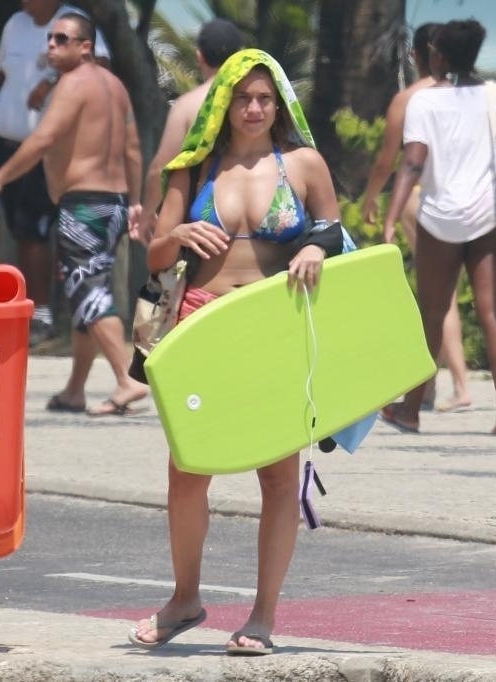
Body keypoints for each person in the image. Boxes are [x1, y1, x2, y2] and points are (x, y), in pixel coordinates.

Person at [126, 48, 344, 654]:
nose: (253, 108)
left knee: (278, 477)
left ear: (278, 105)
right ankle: (185, 598)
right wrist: (177, 234)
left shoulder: (304, 164)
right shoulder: (193, 170)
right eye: (243, 97)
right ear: (223, 102)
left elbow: (332, 226)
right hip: (201, 323)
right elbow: (155, 257)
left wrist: (317, 249)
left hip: (274, 328)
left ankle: (263, 618)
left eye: (264, 98)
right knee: (188, 471)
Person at [0, 12, 148, 417]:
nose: (51, 46)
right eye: (51, 39)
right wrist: (136, 201)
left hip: (84, 205)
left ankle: (126, 380)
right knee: (85, 296)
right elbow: (131, 149)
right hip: (112, 203)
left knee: (90, 291)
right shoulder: (114, 87)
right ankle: (75, 389)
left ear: (85, 47)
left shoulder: (74, 84)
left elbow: (43, 138)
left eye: (62, 39)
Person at [379, 19, 496, 436]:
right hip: (490, 220)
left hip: (440, 219)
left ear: (438, 56)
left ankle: (409, 412)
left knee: (431, 313)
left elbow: (412, 163)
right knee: (493, 311)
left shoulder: (425, 103)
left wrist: (391, 217)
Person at [361, 21, 471, 413]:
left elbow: (388, 160)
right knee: (448, 292)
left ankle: (453, 384)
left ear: (415, 56)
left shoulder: (408, 99)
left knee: (438, 294)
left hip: (421, 198)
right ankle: (443, 384)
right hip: (464, 199)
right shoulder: (465, 94)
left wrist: (372, 199)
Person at [0, 0, 110, 346]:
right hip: (7, 143)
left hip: (49, 151)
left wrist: (51, 78)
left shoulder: (72, 22)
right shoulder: (14, 24)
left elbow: (100, 65)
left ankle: (43, 314)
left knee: (37, 230)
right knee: (18, 228)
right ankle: (23, 308)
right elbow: (2, 77)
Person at [132, 18, 244, 245]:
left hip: (203, 218)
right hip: (254, 209)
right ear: (240, 54)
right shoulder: (257, 103)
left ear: (199, 56)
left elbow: (160, 167)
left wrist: (147, 213)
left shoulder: (188, 105)